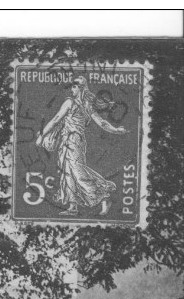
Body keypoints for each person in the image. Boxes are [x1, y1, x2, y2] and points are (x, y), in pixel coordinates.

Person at [36, 75, 127, 216]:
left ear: (81, 88)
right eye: (72, 85)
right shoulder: (80, 104)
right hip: (67, 142)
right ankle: (73, 207)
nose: (72, 88)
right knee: (68, 173)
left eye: (75, 86)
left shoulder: (77, 104)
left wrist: (115, 130)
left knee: (78, 173)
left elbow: (56, 120)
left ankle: (104, 196)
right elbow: (56, 120)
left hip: (75, 141)